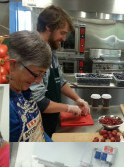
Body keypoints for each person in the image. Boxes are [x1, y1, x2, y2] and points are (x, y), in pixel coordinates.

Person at [30, 5, 90, 138]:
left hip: (52, 120)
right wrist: (68, 108)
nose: (64, 39)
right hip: (38, 123)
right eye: (62, 33)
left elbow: (60, 81)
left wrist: (77, 99)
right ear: (48, 27)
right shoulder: (34, 52)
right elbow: (39, 101)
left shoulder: (51, 49)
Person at [9, 30, 52, 142]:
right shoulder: (8, 108)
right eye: (36, 74)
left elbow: (38, 131)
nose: (38, 81)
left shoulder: (24, 90)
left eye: (43, 74)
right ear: (12, 66)